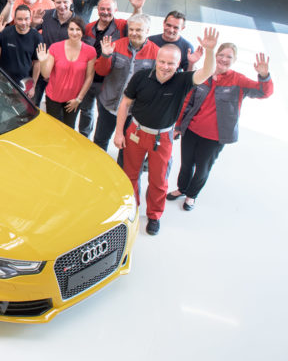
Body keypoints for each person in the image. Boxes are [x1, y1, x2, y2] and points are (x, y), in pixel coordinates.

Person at [113, 28, 219, 235]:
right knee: (129, 175)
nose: (165, 67)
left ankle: (154, 216)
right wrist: (119, 132)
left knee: (159, 180)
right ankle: (131, 208)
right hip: (135, 132)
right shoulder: (141, 76)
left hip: (162, 138)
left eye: (171, 63)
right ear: (156, 59)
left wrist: (210, 51)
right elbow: (125, 104)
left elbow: (207, 72)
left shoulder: (183, 80)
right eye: (162, 61)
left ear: (178, 64)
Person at [171, 45, 273, 210]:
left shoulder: (239, 80)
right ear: (215, 55)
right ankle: (182, 189)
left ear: (235, 60)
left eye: (229, 57)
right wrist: (179, 125)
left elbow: (264, 92)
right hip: (191, 130)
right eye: (221, 55)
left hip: (215, 138)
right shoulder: (203, 75)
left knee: (203, 167)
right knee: (186, 163)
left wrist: (263, 76)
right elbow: (187, 101)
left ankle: (191, 196)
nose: (224, 59)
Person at [79, 0, 147, 138]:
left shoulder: (122, 26)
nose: (105, 12)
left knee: (103, 114)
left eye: (109, 9)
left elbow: (135, 23)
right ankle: (83, 137)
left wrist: (137, 9)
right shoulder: (89, 27)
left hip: (108, 81)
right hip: (89, 78)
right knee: (85, 111)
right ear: (97, 10)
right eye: (102, 9)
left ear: (115, 10)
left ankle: (100, 136)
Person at [92, 13, 160, 151]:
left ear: (147, 31)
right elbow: (101, 71)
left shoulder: (156, 53)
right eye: (131, 29)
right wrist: (105, 56)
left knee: (127, 146)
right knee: (100, 140)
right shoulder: (116, 45)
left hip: (133, 111)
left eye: (139, 30)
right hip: (109, 104)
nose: (134, 33)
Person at [36, 17, 96, 128]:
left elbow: (89, 77)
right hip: (53, 96)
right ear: (67, 30)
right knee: (52, 127)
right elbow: (46, 74)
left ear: (83, 31)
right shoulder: (55, 47)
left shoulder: (90, 51)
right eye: (71, 29)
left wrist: (79, 99)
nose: (74, 33)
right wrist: (43, 61)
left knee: (69, 128)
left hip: (74, 99)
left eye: (78, 29)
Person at [0, 5, 42, 88]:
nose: (23, 22)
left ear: (30, 18)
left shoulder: (37, 37)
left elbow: (37, 63)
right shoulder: (6, 32)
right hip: (3, 80)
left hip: (23, 83)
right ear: (15, 19)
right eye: (20, 19)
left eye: (26, 19)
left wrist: (33, 86)